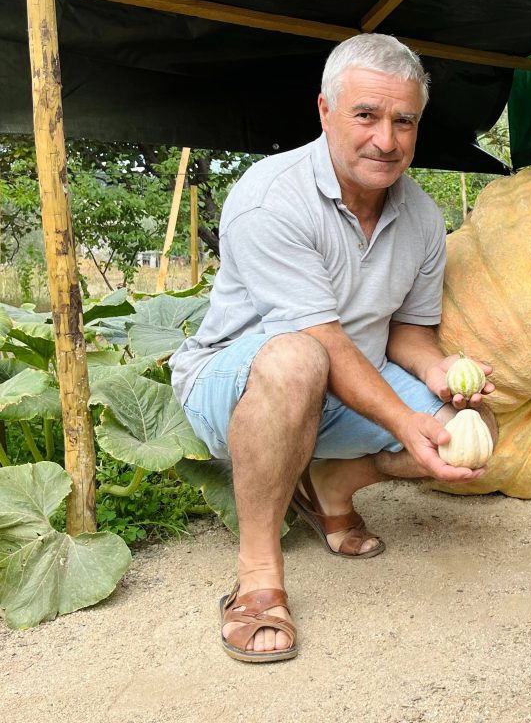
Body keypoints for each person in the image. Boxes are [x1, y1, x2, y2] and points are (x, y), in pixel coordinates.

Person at [168, 33, 497, 663]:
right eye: (366, 116)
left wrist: (443, 374)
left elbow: (409, 333)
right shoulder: (272, 197)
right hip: (237, 384)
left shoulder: (423, 218)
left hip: (344, 388)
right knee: (298, 358)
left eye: (405, 121)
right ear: (325, 111)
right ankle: (259, 577)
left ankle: (330, 484)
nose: (387, 140)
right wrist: (405, 420)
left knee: (475, 425)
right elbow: (318, 340)